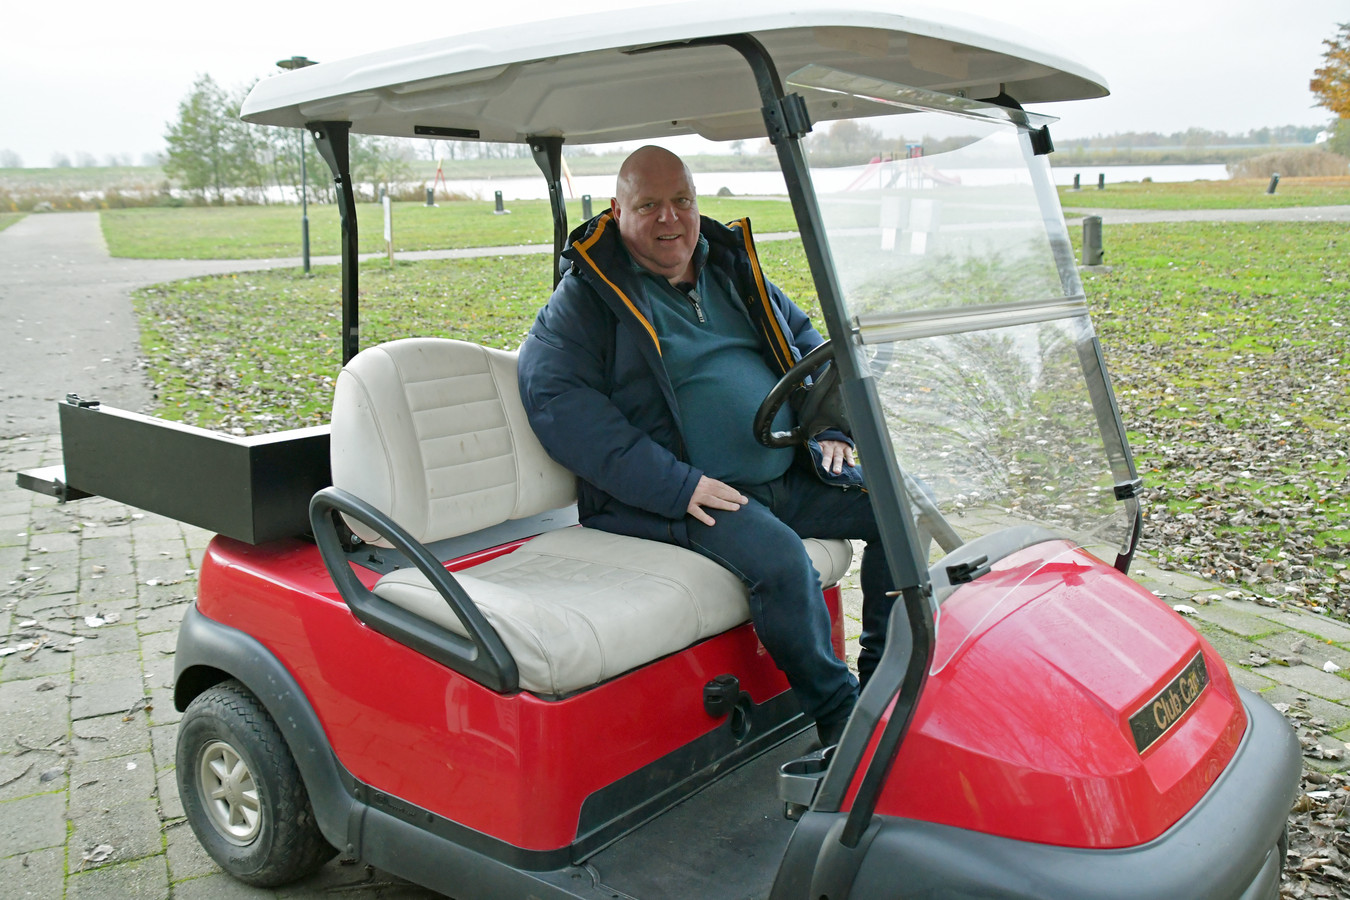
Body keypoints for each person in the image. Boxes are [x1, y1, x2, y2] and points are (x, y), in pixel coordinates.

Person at [517, 146, 894, 747]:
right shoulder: (587, 299)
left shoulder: (730, 271)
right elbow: (559, 403)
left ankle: (885, 681)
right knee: (781, 561)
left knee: (896, 507)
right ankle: (840, 718)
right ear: (617, 210)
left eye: (682, 201)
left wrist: (830, 425)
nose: (670, 218)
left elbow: (806, 343)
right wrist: (676, 485)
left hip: (784, 471)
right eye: (649, 205)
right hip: (679, 494)